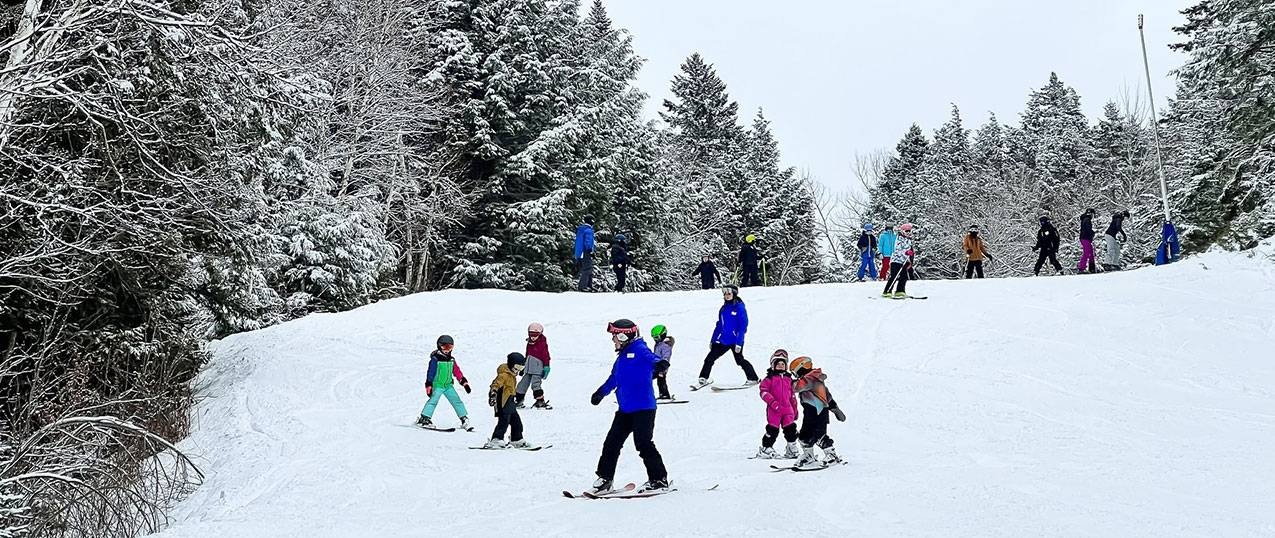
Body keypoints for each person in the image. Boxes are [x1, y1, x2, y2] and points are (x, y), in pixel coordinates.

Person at [589, 319, 671, 494]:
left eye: (615, 337)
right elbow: (614, 379)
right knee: (611, 443)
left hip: (644, 408)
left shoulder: (639, 349)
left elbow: (652, 358)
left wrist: (660, 363)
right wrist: (600, 393)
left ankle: (659, 479)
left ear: (623, 335)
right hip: (625, 409)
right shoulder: (622, 358)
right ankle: (605, 478)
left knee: (643, 443)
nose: (613, 340)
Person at [694, 284, 758, 389]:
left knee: (740, 360)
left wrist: (739, 342)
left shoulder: (739, 307)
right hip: (724, 340)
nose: (727, 296)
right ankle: (703, 378)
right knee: (709, 358)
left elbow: (743, 325)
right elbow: (719, 325)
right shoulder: (723, 309)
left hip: (735, 340)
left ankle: (753, 378)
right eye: (725, 294)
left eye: (729, 293)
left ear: (734, 294)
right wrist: (713, 340)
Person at [790, 356, 845, 468]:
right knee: (804, 436)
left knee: (819, 435)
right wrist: (835, 409)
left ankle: (831, 455)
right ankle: (808, 456)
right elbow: (827, 396)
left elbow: (796, 387)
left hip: (819, 412)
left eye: (794, 372)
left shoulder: (810, 378)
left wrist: (786, 380)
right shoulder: (814, 379)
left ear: (800, 368)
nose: (794, 375)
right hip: (810, 412)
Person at [417, 335, 474, 431]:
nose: (447, 350)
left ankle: (464, 418)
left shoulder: (452, 360)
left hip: (448, 386)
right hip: (437, 385)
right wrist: (429, 384)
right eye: (445, 347)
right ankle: (424, 418)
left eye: (450, 347)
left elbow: (456, 371)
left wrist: (464, 382)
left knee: (457, 401)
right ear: (439, 346)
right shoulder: (435, 359)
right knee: (433, 401)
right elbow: (430, 372)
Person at [755, 350, 800, 460]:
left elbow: (792, 396)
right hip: (774, 410)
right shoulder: (769, 379)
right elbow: (764, 392)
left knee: (791, 429)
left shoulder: (789, 379)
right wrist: (773, 403)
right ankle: (766, 448)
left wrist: (795, 410)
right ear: (773, 365)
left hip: (788, 410)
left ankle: (791, 448)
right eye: (778, 364)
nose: (781, 366)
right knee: (772, 429)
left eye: (783, 364)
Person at [485, 352, 531, 449]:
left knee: (517, 423)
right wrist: (493, 394)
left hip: (510, 403)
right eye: (517, 367)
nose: (518, 371)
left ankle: (516, 439)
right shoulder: (504, 375)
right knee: (503, 423)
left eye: (521, 368)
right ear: (511, 364)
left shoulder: (512, 375)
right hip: (502, 403)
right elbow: (495, 385)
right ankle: (496, 440)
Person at [517, 322, 551, 409]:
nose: (533, 337)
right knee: (521, 385)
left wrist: (546, 367)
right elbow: (527, 355)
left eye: (535, 335)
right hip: (528, 368)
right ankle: (518, 401)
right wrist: (523, 367)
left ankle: (540, 401)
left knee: (535, 385)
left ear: (540, 334)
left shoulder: (542, 344)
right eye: (531, 334)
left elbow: (546, 356)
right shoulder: (529, 343)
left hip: (537, 369)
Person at [882, 223, 915, 298]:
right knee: (894, 276)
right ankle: (887, 291)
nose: (908, 233)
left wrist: (910, 261)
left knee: (904, 276)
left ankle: (900, 291)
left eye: (909, 231)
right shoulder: (898, 238)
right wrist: (905, 252)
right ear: (903, 231)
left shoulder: (909, 240)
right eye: (907, 231)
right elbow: (897, 249)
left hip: (904, 261)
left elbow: (910, 251)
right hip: (896, 261)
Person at [651, 324, 675, 400]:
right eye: (654, 338)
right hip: (656, 366)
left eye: (657, 337)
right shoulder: (659, 344)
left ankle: (664, 395)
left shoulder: (665, 346)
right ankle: (664, 394)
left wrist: (662, 368)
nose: (655, 339)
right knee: (660, 381)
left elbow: (666, 357)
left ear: (663, 335)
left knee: (659, 381)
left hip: (662, 367)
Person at [574, 215, 596, 291]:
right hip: (586, 251)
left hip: (580, 252)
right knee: (587, 269)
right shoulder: (588, 230)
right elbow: (588, 241)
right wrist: (590, 251)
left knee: (588, 268)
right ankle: (583, 286)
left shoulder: (581, 229)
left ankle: (589, 285)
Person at [1077, 209, 1098, 274]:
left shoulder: (1085, 219)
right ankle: (1081, 268)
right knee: (1087, 253)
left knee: (1091, 252)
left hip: (1085, 238)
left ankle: (1092, 268)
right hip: (1085, 238)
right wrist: (1092, 233)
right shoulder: (1087, 219)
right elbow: (1088, 229)